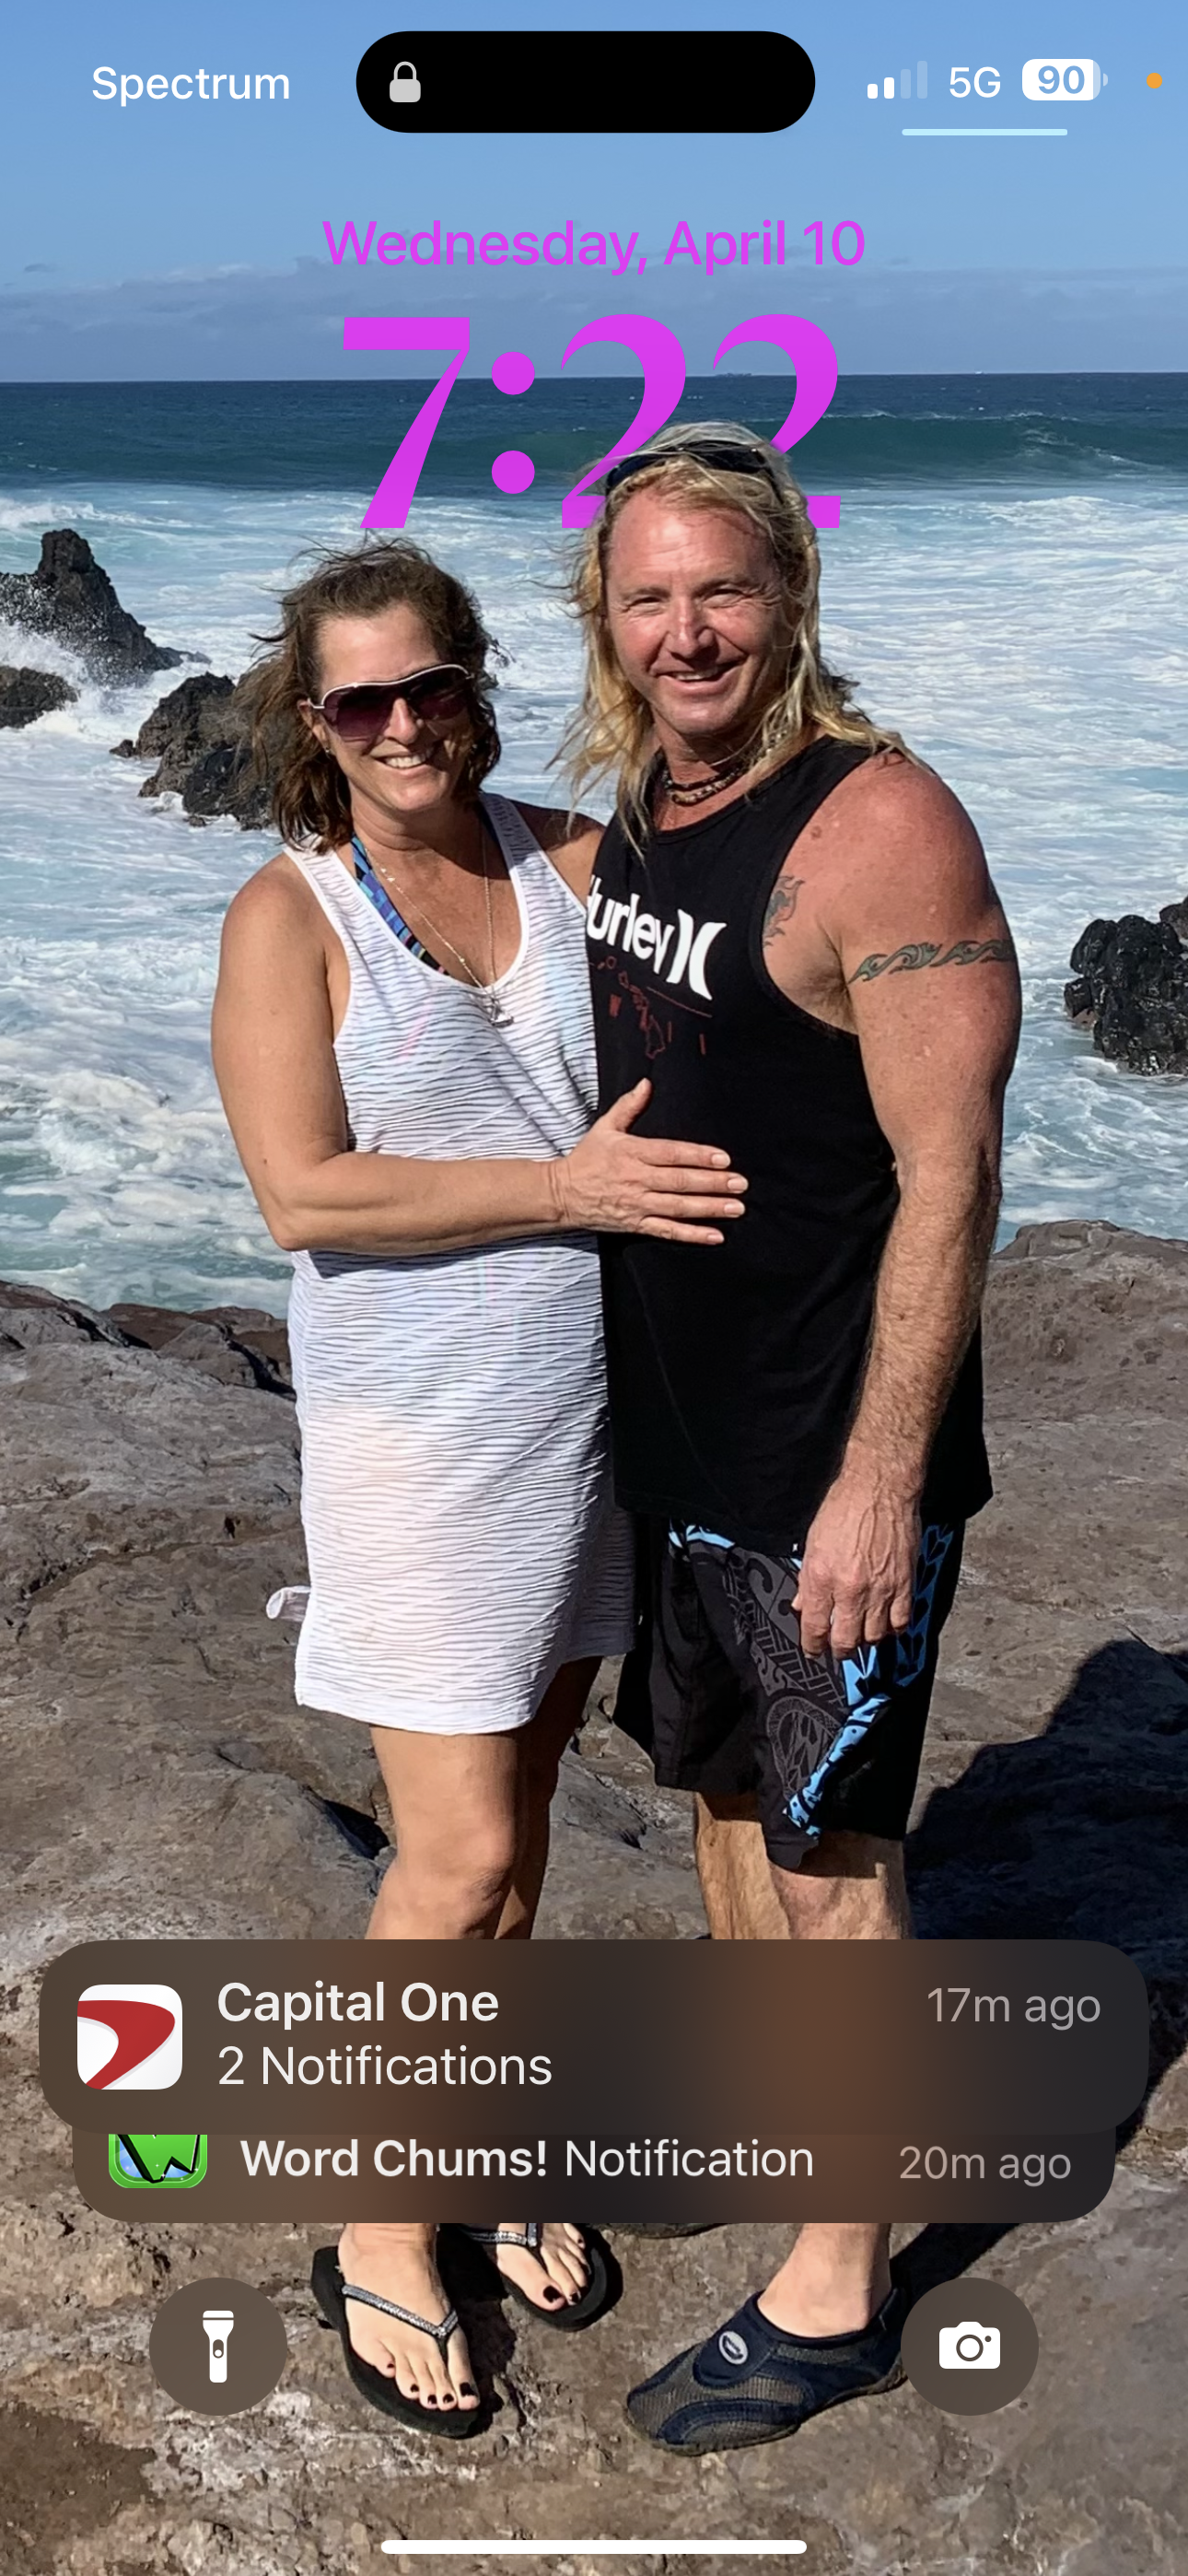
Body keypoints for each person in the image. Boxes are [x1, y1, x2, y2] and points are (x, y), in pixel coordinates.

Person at [211, 536, 749, 2434]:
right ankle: (372, 2223)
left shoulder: (571, 863)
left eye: (431, 682)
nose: (405, 722)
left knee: (513, 1857)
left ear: (476, 678)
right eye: (362, 700)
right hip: (423, 1449)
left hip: (589, 1434)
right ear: (316, 725)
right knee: (451, 1866)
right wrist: (571, 1193)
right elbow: (305, 1190)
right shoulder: (293, 920)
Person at [565, 421, 1021, 2452]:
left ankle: (839, 2285)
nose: (689, 631)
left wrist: (878, 1480)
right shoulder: (651, 813)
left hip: (820, 1456)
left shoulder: (882, 827)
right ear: (607, 616)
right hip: (680, 1439)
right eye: (649, 595)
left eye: (722, 590)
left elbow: (954, 1176)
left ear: (789, 596)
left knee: (838, 1869)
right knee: (737, 1818)